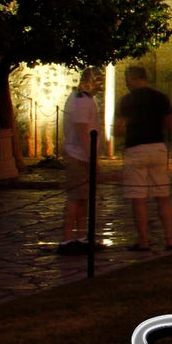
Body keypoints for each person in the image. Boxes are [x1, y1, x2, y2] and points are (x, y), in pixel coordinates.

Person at [116, 65, 172, 251]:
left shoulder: (126, 100)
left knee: (138, 198)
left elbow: (119, 128)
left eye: (128, 79)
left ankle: (143, 240)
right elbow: (170, 124)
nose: (126, 83)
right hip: (157, 147)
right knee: (162, 196)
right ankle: (169, 238)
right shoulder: (161, 98)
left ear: (135, 79)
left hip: (136, 149)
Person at [59, 67, 105, 254]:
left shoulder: (83, 99)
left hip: (80, 154)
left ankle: (81, 236)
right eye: (99, 82)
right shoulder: (82, 102)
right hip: (79, 156)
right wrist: (91, 156)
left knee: (83, 198)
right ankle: (67, 238)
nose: (101, 86)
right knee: (75, 198)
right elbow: (81, 130)